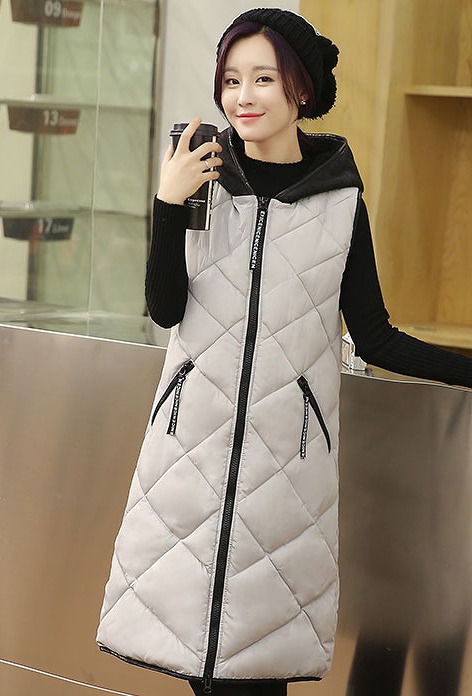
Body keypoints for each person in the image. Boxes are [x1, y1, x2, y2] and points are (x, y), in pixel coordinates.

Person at [96, 8, 472, 696]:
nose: (243, 96)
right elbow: (166, 309)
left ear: (301, 88)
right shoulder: (201, 183)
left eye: (263, 78)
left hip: (286, 475)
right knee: (201, 666)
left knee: (261, 667)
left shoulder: (341, 205)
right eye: (231, 80)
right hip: (188, 461)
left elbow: (377, 335)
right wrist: (168, 205)